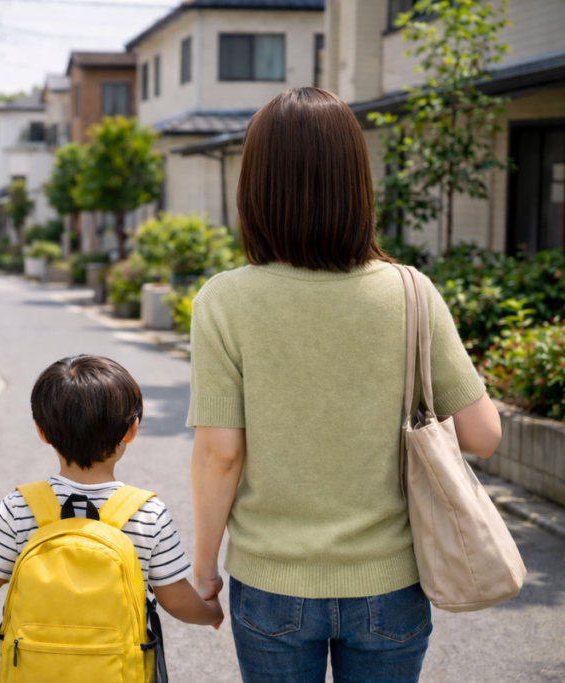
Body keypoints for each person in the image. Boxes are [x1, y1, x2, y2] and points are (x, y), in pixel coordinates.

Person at [186, 87, 503, 683]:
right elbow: (484, 435)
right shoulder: (412, 292)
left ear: (255, 188)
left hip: (271, 583)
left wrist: (204, 569)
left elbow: (221, 454)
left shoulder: (223, 300)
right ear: (356, 181)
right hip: (392, 585)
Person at [0, 355, 222, 625]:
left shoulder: (21, 506)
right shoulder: (147, 513)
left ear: (41, 432)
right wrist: (211, 612)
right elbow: (177, 600)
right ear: (131, 429)